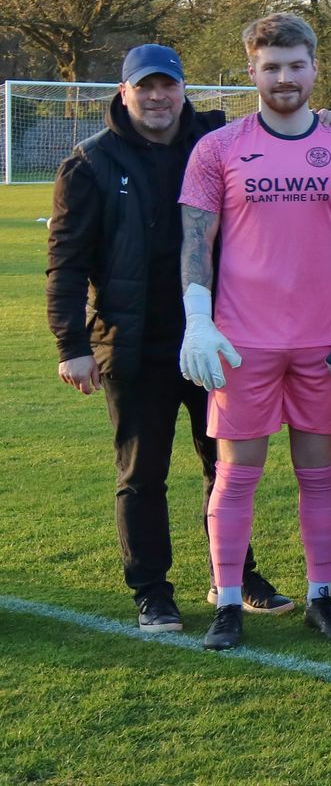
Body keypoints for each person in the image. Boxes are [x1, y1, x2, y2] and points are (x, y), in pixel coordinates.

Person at [46, 44, 289, 633]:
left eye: (168, 86)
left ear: (184, 89)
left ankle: (233, 576)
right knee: (142, 472)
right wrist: (71, 345)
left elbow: (287, 127)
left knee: (227, 466)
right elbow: (66, 261)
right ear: (124, 92)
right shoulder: (91, 162)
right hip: (133, 342)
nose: (157, 97)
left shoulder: (218, 141)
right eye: (144, 87)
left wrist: (329, 119)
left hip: (216, 337)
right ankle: (152, 592)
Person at [179, 14, 331, 651]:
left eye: (296, 65)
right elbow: (196, 235)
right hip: (242, 341)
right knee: (236, 474)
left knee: (320, 474)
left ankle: (321, 597)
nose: (284, 77)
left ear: (314, 67)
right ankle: (227, 601)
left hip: (323, 341)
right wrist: (197, 315)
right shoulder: (218, 147)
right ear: (251, 71)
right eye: (271, 67)